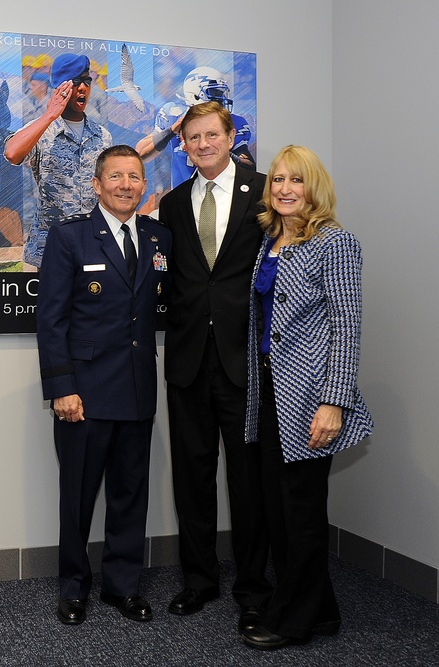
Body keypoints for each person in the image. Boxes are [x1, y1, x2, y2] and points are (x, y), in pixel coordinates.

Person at [240, 145, 373, 650]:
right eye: (277, 180)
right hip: (272, 394)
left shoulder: (335, 243)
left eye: (296, 180)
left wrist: (334, 401)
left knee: (301, 510)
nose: (285, 189)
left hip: (312, 398)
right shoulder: (273, 238)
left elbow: (346, 327)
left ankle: (293, 620)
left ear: (313, 187)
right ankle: (320, 611)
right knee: (279, 505)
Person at [37, 145, 172, 626]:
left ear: (143, 185)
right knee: (77, 497)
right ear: (97, 184)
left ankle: (123, 586)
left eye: (134, 177)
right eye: (115, 176)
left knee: (130, 493)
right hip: (85, 396)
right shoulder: (70, 237)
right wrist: (62, 388)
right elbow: (51, 321)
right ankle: (74, 589)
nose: (125, 185)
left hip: (137, 390)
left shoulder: (158, 239)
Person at [158, 101, 273, 633]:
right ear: (183, 145)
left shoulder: (265, 192)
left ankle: (253, 588)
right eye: (192, 138)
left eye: (210, 135)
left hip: (244, 360)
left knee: (248, 483)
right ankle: (199, 580)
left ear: (230, 137)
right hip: (187, 362)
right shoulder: (175, 203)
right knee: (193, 477)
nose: (201, 145)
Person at [4, 53, 112, 269]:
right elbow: (12, 154)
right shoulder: (41, 129)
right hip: (49, 253)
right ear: (59, 87)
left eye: (86, 81)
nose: (82, 88)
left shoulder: (102, 136)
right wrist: (49, 116)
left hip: (93, 251)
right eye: (75, 82)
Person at [137, 66, 254, 192]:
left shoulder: (234, 123)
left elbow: (249, 168)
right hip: (182, 199)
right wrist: (171, 131)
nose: (221, 98)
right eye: (215, 93)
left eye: (221, 92)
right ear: (195, 95)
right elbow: (141, 153)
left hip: (222, 196)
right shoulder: (173, 114)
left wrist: (221, 154)